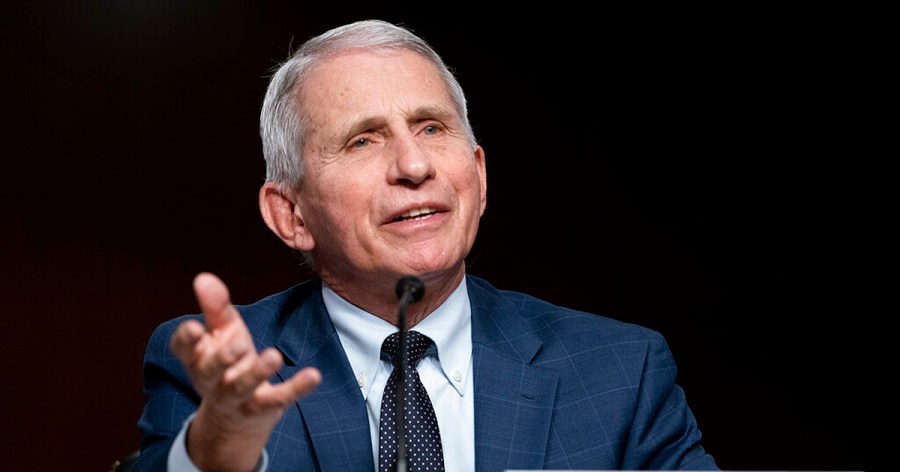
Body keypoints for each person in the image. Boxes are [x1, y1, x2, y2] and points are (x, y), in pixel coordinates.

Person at [131, 19, 719, 472]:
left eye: (432, 128)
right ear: (291, 215)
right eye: (362, 141)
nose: (414, 166)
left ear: (479, 177)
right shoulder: (219, 374)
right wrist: (219, 449)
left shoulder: (620, 371)